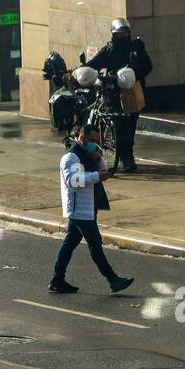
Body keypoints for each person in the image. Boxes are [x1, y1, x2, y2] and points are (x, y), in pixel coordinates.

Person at [50, 124, 135, 295]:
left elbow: (102, 170)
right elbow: (72, 180)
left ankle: (57, 279)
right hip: (79, 209)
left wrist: (98, 159)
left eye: (97, 141)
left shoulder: (87, 154)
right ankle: (113, 280)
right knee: (95, 244)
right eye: (92, 140)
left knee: (70, 243)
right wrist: (96, 176)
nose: (95, 144)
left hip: (88, 206)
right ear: (82, 138)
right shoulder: (71, 157)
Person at [85, 18, 152, 173]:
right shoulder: (109, 50)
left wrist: (134, 74)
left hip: (132, 92)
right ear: (114, 35)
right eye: (120, 34)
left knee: (130, 125)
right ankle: (120, 153)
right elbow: (94, 63)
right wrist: (82, 70)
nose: (123, 36)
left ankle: (127, 156)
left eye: (126, 33)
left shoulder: (135, 49)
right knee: (119, 124)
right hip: (113, 92)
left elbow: (148, 67)